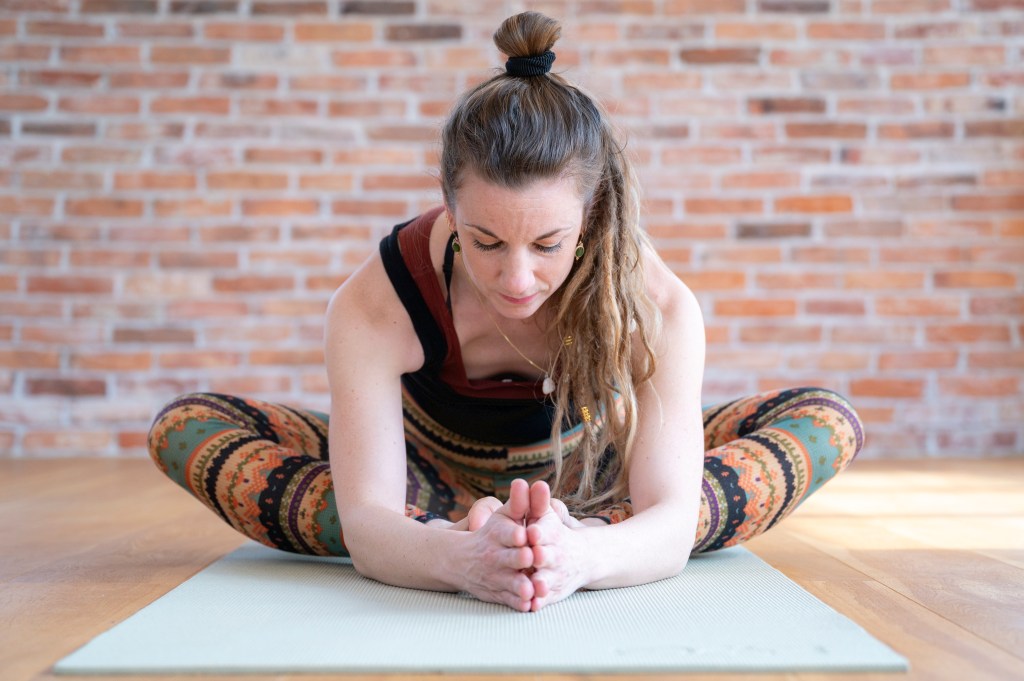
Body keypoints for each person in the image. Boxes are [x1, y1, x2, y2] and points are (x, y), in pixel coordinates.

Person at [148, 12, 863, 613]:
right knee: (188, 427)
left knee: (825, 419)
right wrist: (462, 558)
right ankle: (470, 531)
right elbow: (366, 518)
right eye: (486, 241)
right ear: (449, 207)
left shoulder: (655, 302)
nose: (516, 278)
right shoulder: (378, 300)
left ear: (590, 217)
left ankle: (577, 532)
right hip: (422, 478)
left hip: (601, 473)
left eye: (548, 244)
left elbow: (673, 516)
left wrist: (579, 555)